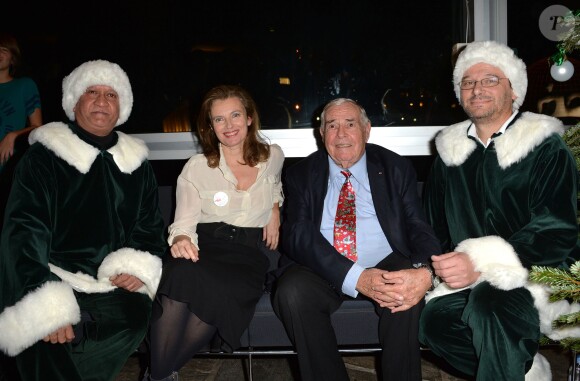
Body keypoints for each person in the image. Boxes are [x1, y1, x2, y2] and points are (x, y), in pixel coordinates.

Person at [419, 40, 579, 380]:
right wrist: (431, 269)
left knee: (490, 305)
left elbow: (557, 230)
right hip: (468, 282)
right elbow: (432, 227)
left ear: (514, 91)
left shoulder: (543, 145)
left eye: (490, 79)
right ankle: (522, 368)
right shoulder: (449, 153)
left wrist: (481, 262)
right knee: (433, 323)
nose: (477, 88)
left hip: (538, 275)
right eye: (468, 81)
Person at [0, 59, 166, 381]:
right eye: (92, 91)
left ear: (123, 106)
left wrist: (136, 266)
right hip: (52, 274)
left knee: (133, 321)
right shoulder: (44, 156)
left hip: (110, 284)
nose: (102, 100)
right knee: (43, 341)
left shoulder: (138, 164)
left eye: (111, 94)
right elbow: (23, 233)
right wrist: (47, 305)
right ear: (74, 101)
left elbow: (149, 227)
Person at [272, 98, 441, 381]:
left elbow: (418, 227)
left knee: (404, 289)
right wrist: (355, 276)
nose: (341, 134)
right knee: (292, 292)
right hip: (322, 266)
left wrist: (425, 270)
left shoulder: (395, 168)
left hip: (386, 260)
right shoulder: (301, 173)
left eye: (350, 124)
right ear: (321, 133)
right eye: (332, 125)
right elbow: (297, 234)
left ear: (367, 130)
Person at [146, 85, 284, 381]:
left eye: (235, 115)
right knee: (180, 273)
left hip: (245, 257)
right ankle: (162, 375)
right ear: (210, 126)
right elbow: (183, 220)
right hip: (205, 245)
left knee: (218, 292)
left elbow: (274, 182)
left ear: (249, 118)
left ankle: (157, 375)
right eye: (219, 119)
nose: (228, 125)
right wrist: (182, 238)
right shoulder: (197, 167)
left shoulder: (273, 155)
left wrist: (274, 207)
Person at [0, 33, 42, 229]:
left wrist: (13, 135)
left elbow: (38, 128)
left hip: (9, 168)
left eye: (4, 50)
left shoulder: (24, 85)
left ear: (12, 57)